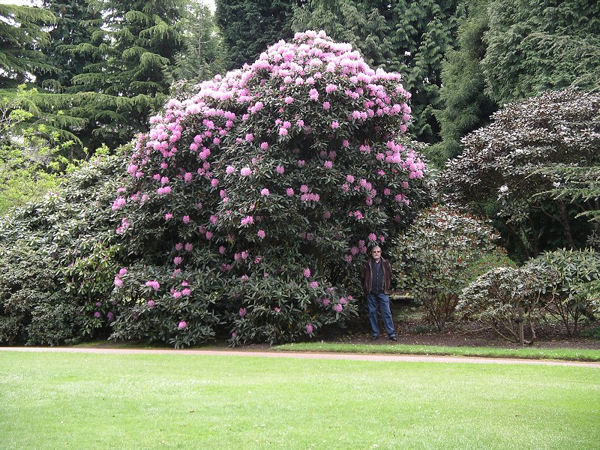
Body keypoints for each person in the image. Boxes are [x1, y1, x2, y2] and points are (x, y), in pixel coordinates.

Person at [362, 245, 397, 341]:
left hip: (383, 292)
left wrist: (387, 288)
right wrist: (366, 288)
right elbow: (364, 277)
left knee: (387, 313)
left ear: (381, 253)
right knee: (372, 313)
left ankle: (391, 334)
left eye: (378, 251)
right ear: (372, 253)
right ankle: (375, 333)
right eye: (374, 252)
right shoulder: (367, 264)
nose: (376, 253)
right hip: (371, 292)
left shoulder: (386, 264)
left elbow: (389, 276)